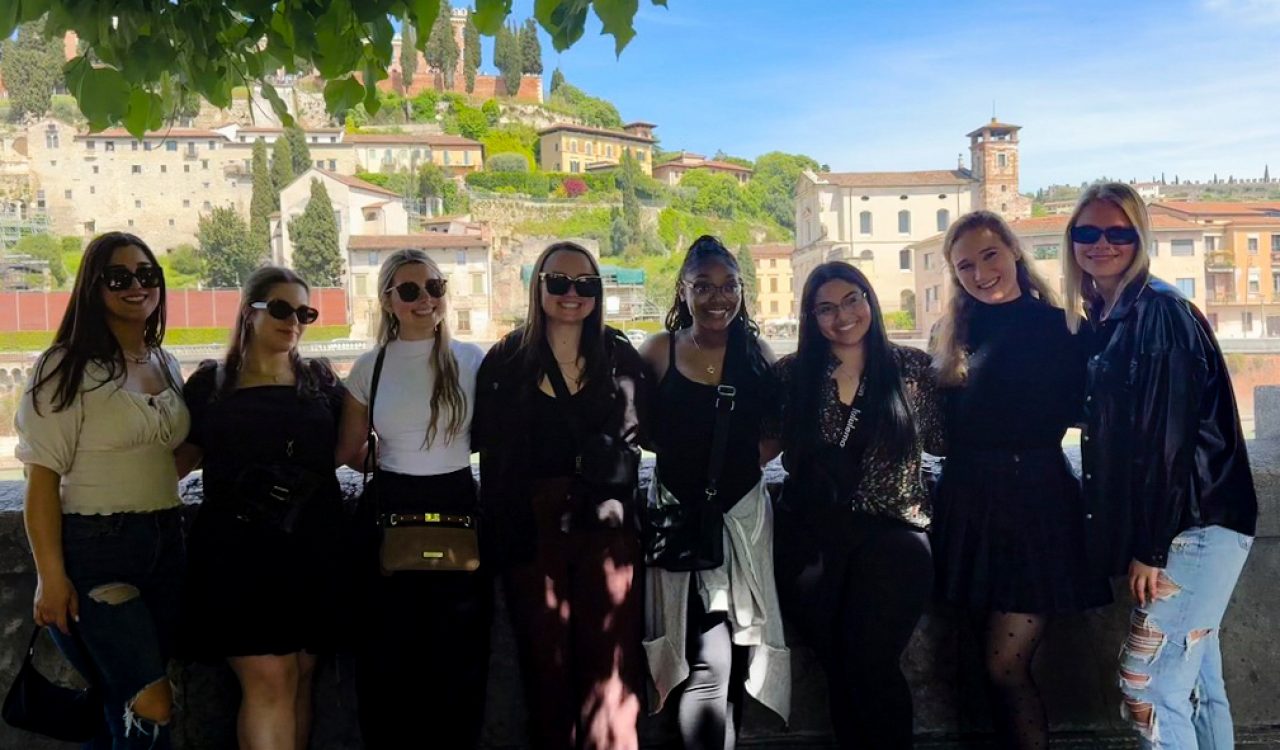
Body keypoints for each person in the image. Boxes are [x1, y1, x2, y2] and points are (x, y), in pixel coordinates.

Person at [1063, 182, 1258, 749]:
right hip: (1194, 523)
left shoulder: (1158, 314)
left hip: (1190, 529)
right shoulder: (1115, 315)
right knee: (1196, 684)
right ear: (1071, 241)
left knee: (1146, 685)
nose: (1102, 243)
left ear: (1139, 239)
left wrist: (1149, 548)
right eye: (1088, 232)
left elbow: (1166, 444)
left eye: (1118, 232)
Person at [929, 212, 1111, 750]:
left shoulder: (1064, 329)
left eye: (990, 255)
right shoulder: (950, 335)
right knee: (971, 666)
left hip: (1036, 508)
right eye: (966, 265)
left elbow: (1104, 417)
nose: (982, 273)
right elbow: (939, 432)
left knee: (1004, 664)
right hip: (967, 507)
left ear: (1013, 250)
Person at [17, 231, 189, 748]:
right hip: (97, 548)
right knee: (152, 701)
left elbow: (161, 459)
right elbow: (41, 479)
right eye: (119, 277)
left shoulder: (165, 362)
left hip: (166, 542)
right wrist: (51, 578)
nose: (136, 286)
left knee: (125, 700)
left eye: (147, 274)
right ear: (93, 287)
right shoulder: (64, 368)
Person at [474, 241, 648, 750]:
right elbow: (490, 451)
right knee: (544, 666)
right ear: (539, 287)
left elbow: (646, 436)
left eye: (585, 284)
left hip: (607, 527)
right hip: (531, 532)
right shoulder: (506, 360)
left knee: (612, 670)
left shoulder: (621, 356)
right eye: (558, 282)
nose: (572, 294)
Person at [764, 261, 941, 749]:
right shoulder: (792, 374)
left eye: (852, 299)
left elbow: (950, 441)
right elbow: (759, 447)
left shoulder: (912, 369)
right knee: (838, 668)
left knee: (872, 663)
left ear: (870, 300)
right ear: (811, 317)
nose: (842, 316)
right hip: (811, 539)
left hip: (894, 535)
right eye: (825, 307)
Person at [177, 267, 345, 750]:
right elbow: (181, 457)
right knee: (269, 678)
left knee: (300, 674)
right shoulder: (210, 384)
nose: (294, 320)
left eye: (304, 312)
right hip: (238, 552)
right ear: (247, 313)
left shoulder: (320, 379)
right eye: (280, 308)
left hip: (312, 546)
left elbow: (347, 449)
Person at [336, 249, 491, 749]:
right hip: (421, 507)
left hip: (424, 504)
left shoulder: (470, 359)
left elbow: (353, 451)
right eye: (410, 290)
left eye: (434, 287)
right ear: (388, 301)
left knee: (441, 662)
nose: (425, 299)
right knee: (402, 661)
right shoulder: (373, 366)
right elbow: (347, 450)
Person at [639, 235, 788, 750]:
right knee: (707, 661)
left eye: (728, 286)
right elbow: (636, 427)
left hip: (742, 523)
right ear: (683, 291)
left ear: (742, 291)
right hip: (681, 522)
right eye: (703, 286)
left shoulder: (757, 353)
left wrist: (739, 468)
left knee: (733, 661)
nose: (717, 298)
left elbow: (775, 429)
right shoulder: (660, 351)